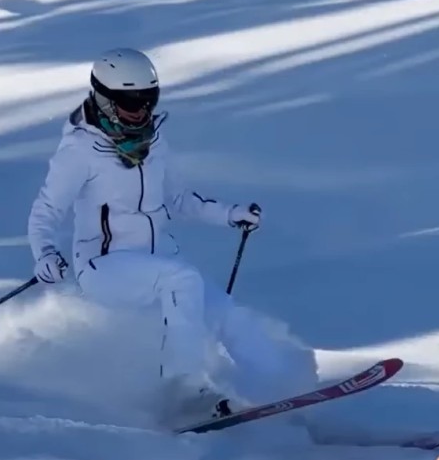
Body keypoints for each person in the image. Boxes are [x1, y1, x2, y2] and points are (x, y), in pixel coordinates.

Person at [26, 47, 313, 427]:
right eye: (131, 101)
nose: (141, 109)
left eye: (148, 99)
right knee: (183, 280)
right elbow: (45, 211)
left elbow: (177, 199)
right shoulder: (80, 150)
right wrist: (44, 253)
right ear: (105, 99)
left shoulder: (154, 141)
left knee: (228, 314)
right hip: (105, 267)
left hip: (159, 262)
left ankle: (278, 391)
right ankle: (182, 394)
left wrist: (228, 214)